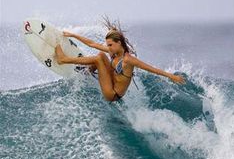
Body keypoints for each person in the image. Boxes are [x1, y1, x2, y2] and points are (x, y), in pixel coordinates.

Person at [55, 17, 185, 102]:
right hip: (111, 81)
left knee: (98, 59)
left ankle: (63, 60)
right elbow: (92, 44)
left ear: (119, 43)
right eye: (108, 45)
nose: (109, 48)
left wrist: (171, 76)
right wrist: (73, 35)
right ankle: (88, 72)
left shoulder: (128, 60)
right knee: (100, 54)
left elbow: (151, 69)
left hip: (112, 94)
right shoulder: (114, 52)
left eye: (110, 45)